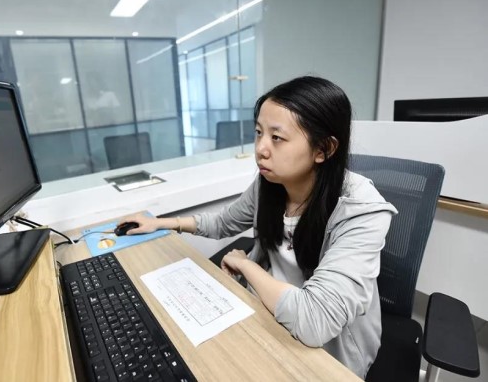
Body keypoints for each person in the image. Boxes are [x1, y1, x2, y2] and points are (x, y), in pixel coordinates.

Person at [120, 76, 397, 378]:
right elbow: (224, 222)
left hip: (329, 353)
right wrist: (161, 223)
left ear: (323, 149)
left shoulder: (362, 210)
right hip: (267, 314)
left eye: (277, 137)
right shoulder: (271, 183)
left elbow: (315, 321)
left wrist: (245, 265)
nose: (261, 149)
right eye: (258, 133)